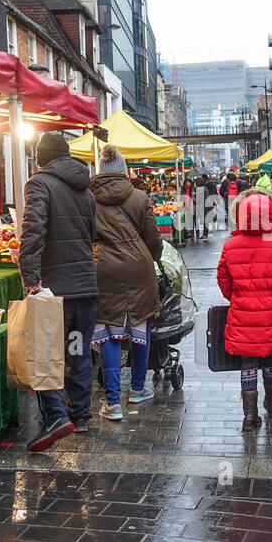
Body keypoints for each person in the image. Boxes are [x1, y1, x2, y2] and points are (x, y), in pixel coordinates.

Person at [18, 131, 97, 452]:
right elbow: (92, 232)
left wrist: (30, 276)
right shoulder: (85, 188)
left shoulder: (39, 183)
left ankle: (54, 414)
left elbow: (33, 230)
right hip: (85, 285)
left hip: (53, 286)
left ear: (42, 157)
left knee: (44, 351)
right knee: (78, 351)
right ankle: (79, 415)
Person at [90, 144, 163, 421]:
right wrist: (152, 256)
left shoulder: (88, 198)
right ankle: (137, 389)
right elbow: (153, 240)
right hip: (138, 269)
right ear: (123, 170)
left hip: (103, 268)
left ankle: (112, 403)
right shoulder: (139, 197)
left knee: (107, 331)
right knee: (140, 324)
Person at [217, 190, 272, 429]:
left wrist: (235, 296)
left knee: (248, 364)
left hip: (242, 313)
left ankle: (249, 416)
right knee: (271, 362)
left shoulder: (230, 246)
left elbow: (223, 278)